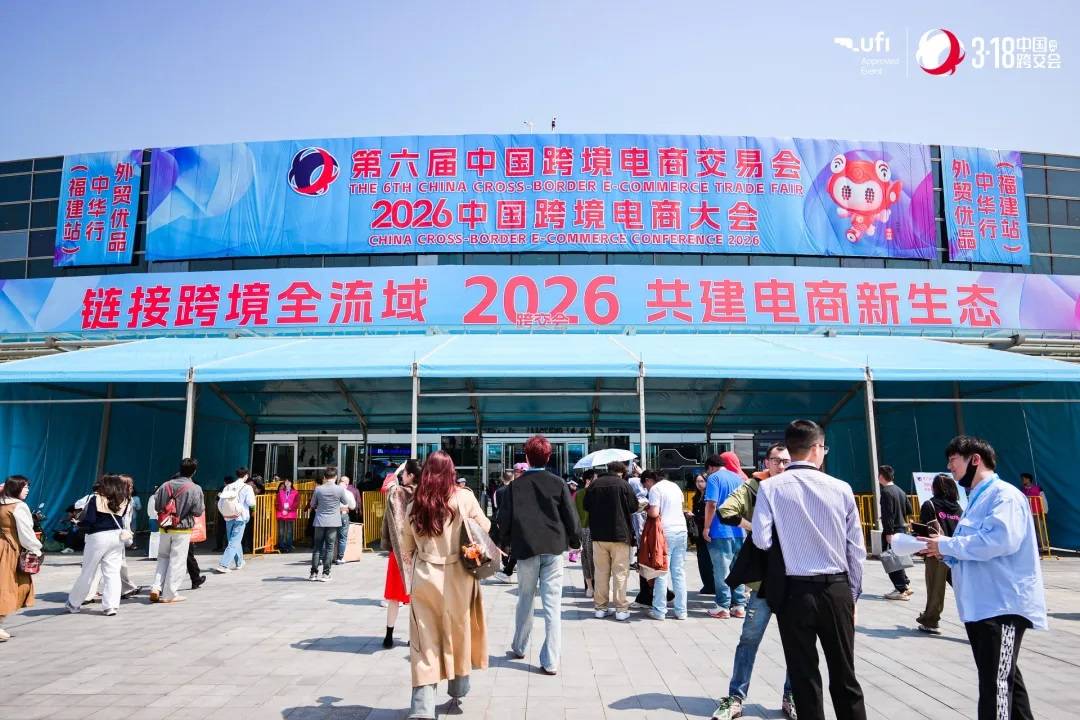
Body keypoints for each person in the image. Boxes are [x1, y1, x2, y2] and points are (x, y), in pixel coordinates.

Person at [921, 436, 1046, 720]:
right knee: (1005, 679)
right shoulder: (977, 499)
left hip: (1001, 606)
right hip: (982, 605)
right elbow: (972, 547)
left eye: (953, 460)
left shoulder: (1004, 496)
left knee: (996, 686)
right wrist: (942, 550)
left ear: (975, 459)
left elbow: (999, 540)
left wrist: (947, 545)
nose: (949, 467)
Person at [752, 420, 867, 720]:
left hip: (794, 591)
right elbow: (856, 549)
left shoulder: (769, 487)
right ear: (816, 448)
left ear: (791, 449)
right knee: (845, 674)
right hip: (836, 588)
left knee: (803, 676)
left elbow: (761, 539)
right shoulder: (841, 488)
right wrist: (853, 595)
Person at [399, 451, 489, 718]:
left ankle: (422, 708)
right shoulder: (464, 497)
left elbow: (406, 546)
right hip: (460, 575)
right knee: (459, 630)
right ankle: (459, 686)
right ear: (451, 472)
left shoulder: (415, 504)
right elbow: (485, 526)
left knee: (424, 641)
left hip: (426, 576)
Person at [711, 442, 796, 720]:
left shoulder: (799, 486)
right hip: (763, 579)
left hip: (796, 577)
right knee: (748, 639)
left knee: (797, 642)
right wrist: (752, 526)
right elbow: (726, 510)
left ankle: (791, 695)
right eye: (776, 460)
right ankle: (736, 697)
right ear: (766, 463)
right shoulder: (754, 487)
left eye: (786, 461)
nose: (781, 466)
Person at [498, 435, 581, 674]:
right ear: (548, 457)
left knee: (525, 599)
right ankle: (551, 660)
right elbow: (570, 516)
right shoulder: (558, 483)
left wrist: (504, 544)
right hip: (553, 548)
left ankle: (519, 645)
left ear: (526, 457)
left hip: (526, 549)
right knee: (552, 605)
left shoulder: (515, 487)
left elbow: (504, 519)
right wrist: (574, 540)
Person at [65, 474, 132, 616]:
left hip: (98, 537)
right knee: (112, 573)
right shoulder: (124, 500)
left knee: (88, 571)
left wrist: (78, 524)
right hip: (117, 537)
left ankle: (74, 603)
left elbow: (89, 521)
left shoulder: (96, 499)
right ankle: (111, 606)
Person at [583, 459, 637, 622]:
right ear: (621, 472)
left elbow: (586, 506)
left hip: (599, 535)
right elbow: (633, 507)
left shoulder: (594, 485)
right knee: (620, 573)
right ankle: (621, 609)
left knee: (601, 573)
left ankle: (600, 608)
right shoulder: (623, 485)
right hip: (620, 535)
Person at [149, 459, 205, 604]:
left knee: (163, 558)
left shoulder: (165, 485)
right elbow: (198, 511)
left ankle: (156, 587)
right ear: (194, 471)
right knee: (177, 561)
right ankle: (170, 593)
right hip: (182, 529)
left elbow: (157, 506)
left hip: (165, 528)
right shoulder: (195, 488)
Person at [703, 452, 749, 619]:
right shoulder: (738, 478)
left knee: (721, 571)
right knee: (737, 569)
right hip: (739, 530)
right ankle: (739, 606)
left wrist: (706, 527)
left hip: (719, 531)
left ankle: (722, 606)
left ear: (711, 467)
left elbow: (712, 504)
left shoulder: (714, 478)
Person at [915, 473, 961, 635]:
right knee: (962, 587)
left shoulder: (929, 505)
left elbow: (925, 529)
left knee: (935, 589)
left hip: (936, 551)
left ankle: (931, 620)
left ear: (935, 488)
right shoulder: (958, 507)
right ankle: (979, 618)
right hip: (956, 551)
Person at [380, 459, 418, 649]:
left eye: (404, 473)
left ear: (410, 475)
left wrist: (396, 471)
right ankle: (413, 636)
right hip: (417, 552)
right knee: (415, 598)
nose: (402, 475)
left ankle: (389, 635)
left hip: (398, 550)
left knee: (394, 597)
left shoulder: (398, 492)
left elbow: (387, 485)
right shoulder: (424, 494)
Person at [0, 476, 43, 640]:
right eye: (25, 487)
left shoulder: (2, 503)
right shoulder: (19, 506)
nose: (27, 490)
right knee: (8, 585)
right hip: (10, 549)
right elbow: (26, 533)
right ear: (16, 488)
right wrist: (36, 549)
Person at [646, 469, 688, 622]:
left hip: (665, 532)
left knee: (662, 572)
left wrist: (646, 509)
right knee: (678, 572)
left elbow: (654, 513)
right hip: (681, 530)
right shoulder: (675, 487)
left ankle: (659, 611)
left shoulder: (656, 489)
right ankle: (681, 611)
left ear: (652, 479)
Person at [308, 466, 355, 581]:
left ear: (324, 477)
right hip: (333, 521)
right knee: (330, 547)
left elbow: (312, 504)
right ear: (336, 477)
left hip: (319, 521)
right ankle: (326, 574)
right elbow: (345, 502)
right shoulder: (339, 490)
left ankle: (313, 573)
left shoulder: (318, 489)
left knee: (317, 547)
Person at [877, 465, 913, 601]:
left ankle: (901, 589)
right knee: (898, 559)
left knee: (890, 560)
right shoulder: (900, 490)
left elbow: (888, 515)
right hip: (902, 529)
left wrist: (888, 532)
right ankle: (905, 585)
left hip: (892, 531)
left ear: (881, 476)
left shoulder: (886, 492)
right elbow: (909, 509)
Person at [215, 468, 257, 574]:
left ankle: (239, 562)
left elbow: (220, 503)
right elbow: (251, 503)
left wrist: (224, 513)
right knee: (234, 541)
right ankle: (224, 564)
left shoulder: (228, 487)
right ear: (246, 476)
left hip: (228, 516)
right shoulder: (247, 487)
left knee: (233, 540)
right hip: (240, 517)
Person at [691, 471, 715, 596]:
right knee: (702, 559)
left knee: (708, 560)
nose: (699, 484)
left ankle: (711, 585)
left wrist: (694, 516)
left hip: (708, 531)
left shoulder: (708, 496)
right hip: (698, 532)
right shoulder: (696, 497)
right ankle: (707, 584)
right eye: (697, 481)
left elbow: (708, 514)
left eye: (701, 481)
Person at [492, 469, 517, 583]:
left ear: (502, 479)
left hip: (501, 518)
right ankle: (512, 563)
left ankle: (506, 563)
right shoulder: (516, 490)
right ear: (513, 478)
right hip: (514, 518)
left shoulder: (498, 491)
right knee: (514, 542)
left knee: (505, 541)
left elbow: (495, 506)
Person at [574, 469, 596, 597]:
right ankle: (592, 587)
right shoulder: (589, 493)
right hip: (591, 528)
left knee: (585, 559)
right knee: (592, 559)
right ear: (588, 480)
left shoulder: (578, 494)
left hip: (582, 528)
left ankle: (589, 587)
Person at [336, 475, 361, 563]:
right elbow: (353, 506)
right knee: (342, 537)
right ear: (347, 484)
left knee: (329, 537)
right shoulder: (348, 493)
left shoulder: (332, 491)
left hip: (331, 515)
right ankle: (340, 558)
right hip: (343, 514)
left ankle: (325, 557)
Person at [276, 478, 299, 552]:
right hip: (281, 513)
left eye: (289, 481)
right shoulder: (280, 492)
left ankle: (289, 545)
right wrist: (281, 509)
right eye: (286, 481)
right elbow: (277, 502)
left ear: (291, 483)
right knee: (281, 530)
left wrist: (290, 508)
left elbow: (296, 503)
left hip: (290, 513)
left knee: (289, 530)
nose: (287, 483)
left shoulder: (295, 492)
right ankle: (281, 545)